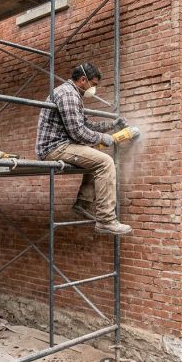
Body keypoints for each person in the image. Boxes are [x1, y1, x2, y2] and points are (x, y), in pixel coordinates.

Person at [36, 63, 131, 235]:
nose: (94, 89)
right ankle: (106, 221)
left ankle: (82, 204)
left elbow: (86, 125)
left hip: (63, 144)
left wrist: (112, 125)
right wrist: (106, 139)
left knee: (95, 158)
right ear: (82, 80)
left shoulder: (73, 94)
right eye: (93, 84)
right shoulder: (68, 95)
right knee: (105, 162)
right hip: (54, 147)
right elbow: (78, 132)